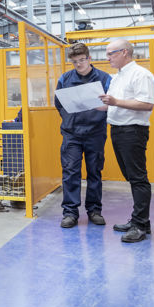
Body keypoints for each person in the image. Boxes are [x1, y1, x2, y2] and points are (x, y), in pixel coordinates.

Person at [99, 39, 154, 243]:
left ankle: (140, 225)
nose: (108, 58)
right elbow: (115, 104)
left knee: (138, 178)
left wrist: (114, 102)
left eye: (110, 53)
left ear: (124, 52)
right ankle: (140, 220)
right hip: (118, 129)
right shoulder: (117, 77)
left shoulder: (141, 75)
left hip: (133, 131)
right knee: (131, 176)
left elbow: (147, 104)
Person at [55, 43, 111, 229]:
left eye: (82, 60)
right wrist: (70, 120)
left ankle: (94, 210)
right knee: (70, 172)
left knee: (94, 172)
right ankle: (70, 212)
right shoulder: (65, 78)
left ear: (89, 59)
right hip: (72, 134)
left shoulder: (104, 79)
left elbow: (112, 103)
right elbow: (59, 103)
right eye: (74, 62)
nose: (79, 64)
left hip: (95, 133)